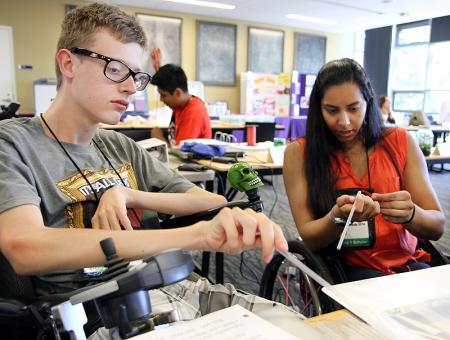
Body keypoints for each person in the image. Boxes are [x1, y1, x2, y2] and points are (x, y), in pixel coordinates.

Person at [0, 2, 288, 334]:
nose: (129, 88)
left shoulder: (117, 146)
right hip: (96, 312)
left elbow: (209, 202)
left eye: (135, 76)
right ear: (69, 64)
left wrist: (129, 195)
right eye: (114, 69)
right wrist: (195, 235)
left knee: (295, 326)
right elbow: (25, 246)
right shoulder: (14, 143)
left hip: (170, 288)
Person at [283, 58, 444, 282]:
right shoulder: (299, 153)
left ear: (368, 102)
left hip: (407, 264)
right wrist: (336, 218)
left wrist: (411, 214)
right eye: (332, 110)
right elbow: (309, 239)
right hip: (345, 269)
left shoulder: (400, 141)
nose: (345, 122)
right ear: (318, 109)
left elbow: (437, 227)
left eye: (353, 108)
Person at [150, 64, 212, 146]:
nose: (161, 99)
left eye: (164, 95)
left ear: (178, 92)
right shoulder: (180, 106)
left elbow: (178, 153)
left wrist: (158, 138)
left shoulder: (194, 112)